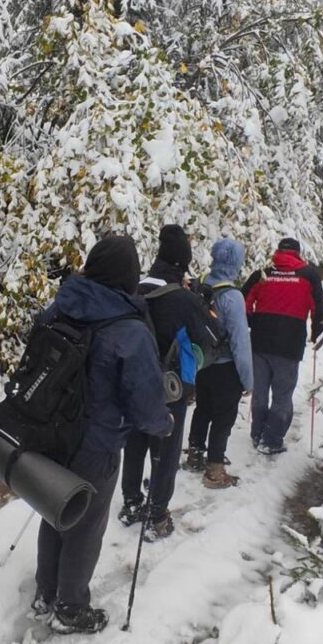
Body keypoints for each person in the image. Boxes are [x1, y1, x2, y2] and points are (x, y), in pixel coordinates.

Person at [33, 235, 172, 634]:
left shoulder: (61, 304)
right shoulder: (129, 329)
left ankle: (46, 592)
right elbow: (146, 404)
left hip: (49, 431)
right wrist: (164, 425)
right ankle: (71, 607)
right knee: (85, 523)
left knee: (53, 508)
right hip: (96, 443)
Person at [118, 225, 219, 541]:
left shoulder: (133, 289)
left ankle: (131, 503)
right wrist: (203, 303)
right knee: (165, 450)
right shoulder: (184, 299)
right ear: (183, 262)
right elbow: (213, 340)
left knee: (134, 444)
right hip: (169, 387)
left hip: (131, 383)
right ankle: (156, 515)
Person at [244, 237, 323, 455]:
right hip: (290, 343)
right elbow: (318, 307)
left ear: (278, 252)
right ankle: (272, 440)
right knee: (282, 393)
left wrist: (253, 321)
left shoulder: (264, 272)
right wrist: (318, 334)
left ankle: (257, 433)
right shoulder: (308, 275)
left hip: (260, 341)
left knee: (260, 390)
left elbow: (243, 300)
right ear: (298, 254)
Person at [185, 238, 253, 487]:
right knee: (223, 418)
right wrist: (247, 379)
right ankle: (215, 471)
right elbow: (240, 343)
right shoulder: (232, 296)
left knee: (202, 409)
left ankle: (194, 455)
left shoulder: (201, 285)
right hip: (226, 367)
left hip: (202, 363)